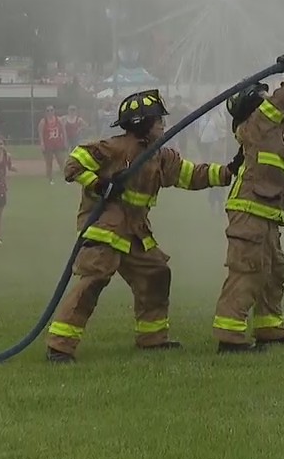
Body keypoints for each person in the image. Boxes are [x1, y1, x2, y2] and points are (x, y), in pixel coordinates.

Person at [47, 89, 233, 363]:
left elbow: (191, 175)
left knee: (156, 273)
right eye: (158, 120)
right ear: (142, 123)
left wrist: (229, 171)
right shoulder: (115, 148)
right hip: (106, 229)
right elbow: (73, 165)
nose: (163, 125)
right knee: (93, 282)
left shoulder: (160, 156)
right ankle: (59, 346)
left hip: (135, 232)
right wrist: (101, 184)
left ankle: (152, 337)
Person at [212, 58, 284, 353]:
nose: (270, 99)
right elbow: (281, 99)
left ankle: (269, 325)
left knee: (273, 271)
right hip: (249, 210)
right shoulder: (254, 126)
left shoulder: (279, 131)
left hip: (268, 212)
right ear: (254, 104)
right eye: (264, 97)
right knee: (248, 271)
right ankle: (230, 336)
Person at [39, 105, 68, 183]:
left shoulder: (59, 120)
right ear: (45, 112)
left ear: (54, 111)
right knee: (49, 163)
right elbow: (40, 133)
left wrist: (65, 141)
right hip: (48, 145)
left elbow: (63, 131)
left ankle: (66, 178)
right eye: (48, 111)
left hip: (58, 144)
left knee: (61, 161)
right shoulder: (43, 121)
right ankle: (50, 179)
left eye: (51, 110)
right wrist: (42, 144)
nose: (50, 112)